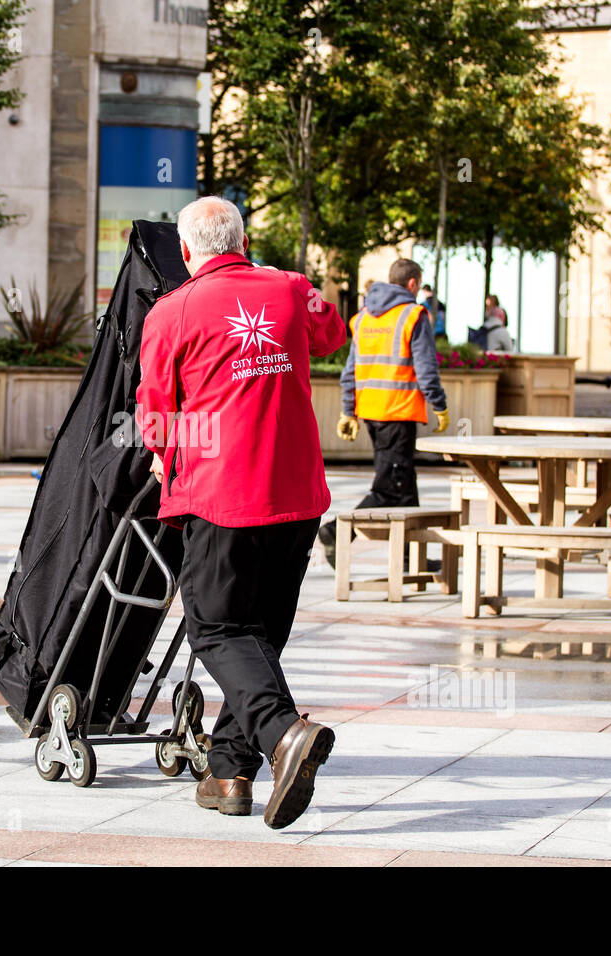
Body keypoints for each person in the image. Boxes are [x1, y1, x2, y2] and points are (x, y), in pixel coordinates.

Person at [136, 196, 344, 829]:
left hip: (223, 495)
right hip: (296, 495)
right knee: (260, 636)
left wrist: (163, 452)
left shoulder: (170, 312)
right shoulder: (288, 288)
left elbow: (152, 416)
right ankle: (229, 772)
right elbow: (332, 332)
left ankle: (285, 734)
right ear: (242, 238)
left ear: (187, 250)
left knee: (218, 630)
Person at [319, 259, 449, 567]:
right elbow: (426, 367)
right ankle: (336, 531)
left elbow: (350, 370)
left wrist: (348, 411)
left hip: (372, 413)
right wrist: (439, 404)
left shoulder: (363, 317)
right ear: (413, 284)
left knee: (405, 486)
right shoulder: (413, 315)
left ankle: (411, 559)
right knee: (390, 488)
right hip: (399, 412)